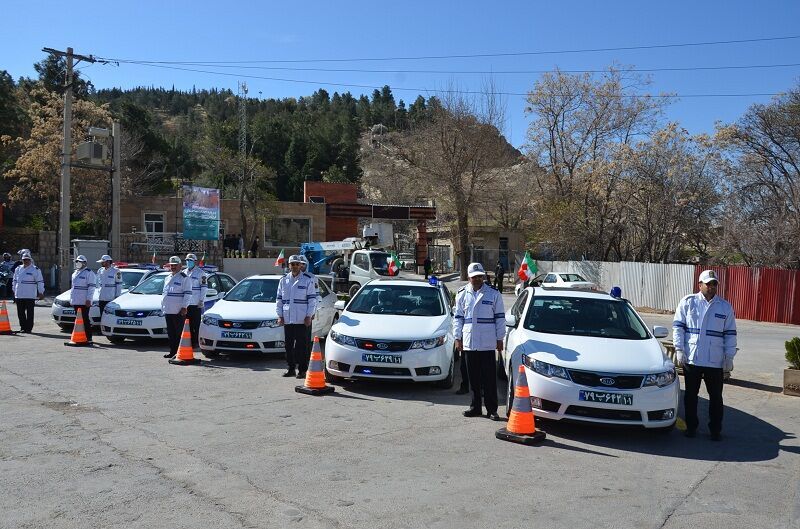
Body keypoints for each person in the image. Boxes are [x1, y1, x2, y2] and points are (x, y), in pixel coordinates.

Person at [673, 269, 737, 441]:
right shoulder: (688, 302)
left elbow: (730, 334)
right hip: (692, 358)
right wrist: (679, 349)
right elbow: (678, 327)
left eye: (714, 283)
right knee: (691, 396)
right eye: (708, 283)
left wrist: (729, 356)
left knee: (716, 397)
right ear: (699, 285)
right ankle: (691, 427)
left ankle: (715, 430)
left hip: (714, 361)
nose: (711, 286)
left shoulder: (725, 306)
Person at [453, 262, 505, 420]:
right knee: (473, 378)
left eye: (480, 276)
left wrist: (500, 338)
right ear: (469, 277)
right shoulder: (462, 293)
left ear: (483, 276)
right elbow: (458, 318)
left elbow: (500, 318)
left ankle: (492, 410)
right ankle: (475, 407)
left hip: (487, 343)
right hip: (469, 342)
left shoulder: (493, 294)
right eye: (474, 277)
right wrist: (457, 338)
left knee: (489, 378)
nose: (477, 279)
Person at [276, 254, 317, 378]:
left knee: (301, 346)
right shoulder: (283, 280)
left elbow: (312, 300)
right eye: (292, 264)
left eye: (297, 264)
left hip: (301, 319)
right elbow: (279, 300)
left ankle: (303, 370)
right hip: (288, 319)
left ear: (301, 265)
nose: (294, 266)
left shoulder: (307, 280)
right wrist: (280, 315)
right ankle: (291, 369)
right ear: (289, 266)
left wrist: (309, 315)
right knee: (288, 346)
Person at [161, 256, 192, 359]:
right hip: (168, 310)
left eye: (175, 265)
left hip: (178, 311)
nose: (173, 267)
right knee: (171, 333)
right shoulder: (167, 277)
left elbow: (188, 294)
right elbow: (165, 294)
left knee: (178, 334)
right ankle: (172, 351)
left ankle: (179, 353)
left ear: (180, 266)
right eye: (171, 265)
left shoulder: (184, 278)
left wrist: (184, 307)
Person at [11, 252, 44, 332]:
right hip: (19, 295)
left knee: (30, 313)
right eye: (24, 260)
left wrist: (41, 292)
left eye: (27, 259)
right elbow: (14, 281)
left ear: (30, 260)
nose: (26, 261)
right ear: (22, 260)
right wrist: (14, 290)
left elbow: (40, 281)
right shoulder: (18, 268)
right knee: (20, 313)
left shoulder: (35, 269)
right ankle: (23, 327)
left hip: (30, 295)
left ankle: (28, 328)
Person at [70, 255, 96, 342]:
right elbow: (73, 288)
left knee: (85, 319)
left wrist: (89, 299)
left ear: (85, 263)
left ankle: (89, 338)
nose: (78, 263)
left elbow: (91, 288)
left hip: (84, 301)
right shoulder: (74, 273)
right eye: (77, 261)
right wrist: (71, 299)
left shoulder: (89, 273)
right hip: (76, 301)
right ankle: (80, 336)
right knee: (78, 320)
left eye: (80, 262)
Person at [184, 253, 207, 350]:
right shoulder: (183, 272)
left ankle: (195, 342)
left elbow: (204, 288)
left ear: (195, 262)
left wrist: (201, 300)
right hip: (185, 303)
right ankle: (187, 342)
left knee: (195, 325)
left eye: (190, 260)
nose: (188, 262)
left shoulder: (201, 273)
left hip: (196, 303)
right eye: (187, 260)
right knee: (186, 325)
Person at [298, 254, 319, 348]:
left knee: (306, 338)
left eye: (303, 264)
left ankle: (305, 359)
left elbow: (316, 296)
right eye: (300, 264)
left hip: (307, 312)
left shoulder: (311, 277)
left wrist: (313, 312)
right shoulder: (289, 277)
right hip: (295, 313)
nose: (301, 266)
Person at [96, 255, 122, 325]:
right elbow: (98, 283)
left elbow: (119, 285)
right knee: (102, 315)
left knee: (110, 316)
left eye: (103, 262)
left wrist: (117, 296)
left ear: (108, 262)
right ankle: (102, 329)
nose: (101, 263)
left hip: (111, 298)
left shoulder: (116, 271)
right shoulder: (100, 270)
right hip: (101, 297)